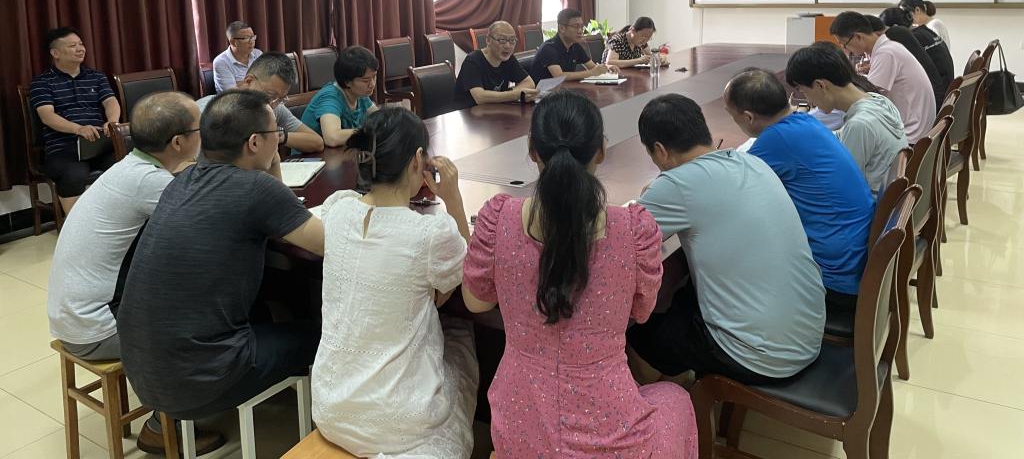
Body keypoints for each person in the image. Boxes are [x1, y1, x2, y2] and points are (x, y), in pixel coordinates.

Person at [462, 90, 698, 458]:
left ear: (532, 150)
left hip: (520, 418)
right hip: (607, 419)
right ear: (601, 151)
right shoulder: (633, 231)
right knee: (675, 398)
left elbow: (476, 302)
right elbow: (641, 312)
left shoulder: (498, 220)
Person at [118, 90, 325, 438]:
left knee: (270, 300)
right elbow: (328, 244)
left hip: (143, 370)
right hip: (197, 382)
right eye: (276, 134)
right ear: (255, 142)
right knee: (321, 332)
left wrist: (272, 164)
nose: (279, 140)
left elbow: (279, 214)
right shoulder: (254, 188)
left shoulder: (182, 180)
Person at [46, 92, 223, 454]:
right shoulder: (150, 183)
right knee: (206, 321)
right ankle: (161, 426)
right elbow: (213, 225)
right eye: (199, 130)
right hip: (95, 328)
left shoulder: (130, 168)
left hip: (72, 315)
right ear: (179, 142)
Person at [312, 108, 478, 458]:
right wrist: (453, 198)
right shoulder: (430, 234)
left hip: (330, 407)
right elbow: (471, 271)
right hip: (397, 424)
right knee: (461, 341)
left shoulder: (337, 209)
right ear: (419, 160)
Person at [626, 94, 824, 385]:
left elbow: (623, 242)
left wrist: (657, 193)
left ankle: (661, 404)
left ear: (660, 150)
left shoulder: (678, 184)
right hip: (808, 332)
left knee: (637, 334)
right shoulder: (753, 162)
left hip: (761, 356)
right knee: (681, 297)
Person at [724, 68, 875, 307]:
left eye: (733, 116)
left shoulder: (776, 139)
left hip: (834, 276)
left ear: (749, 117)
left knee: (730, 256)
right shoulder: (805, 122)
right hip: (855, 254)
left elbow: (730, 192)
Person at [786, 43, 909, 197]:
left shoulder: (860, 124)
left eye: (803, 92)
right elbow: (843, 137)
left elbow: (842, 184)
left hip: (871, 205)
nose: (808, 101)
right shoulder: (879, 101)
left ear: (820, 86)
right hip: (889, 198)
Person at [29, 27, 121, 215]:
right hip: (63, 148)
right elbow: (47, 116)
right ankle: (75, 226)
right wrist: (78, 129)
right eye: (72, 46)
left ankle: (120, 219)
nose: (80, 49)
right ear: (55, 53)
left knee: (125, 163)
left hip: (98, 144)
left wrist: (112, 121)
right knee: (74, 174)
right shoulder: (42, 82)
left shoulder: (96, 76)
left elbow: (110, 101)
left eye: (81, 44)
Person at [830, 11, 937, 143]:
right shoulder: (890, 47)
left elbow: (865, 99)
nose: (844, 49)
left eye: (844, 43)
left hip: (910, 135)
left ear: (858, 37)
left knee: (843, 137)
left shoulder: (886, 53)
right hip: (917, 128)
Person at [197, 52, 324, 154]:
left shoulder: (274, 108)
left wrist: (277, 136)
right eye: (270, 95)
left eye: (281, 98)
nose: (272, 104)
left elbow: (317, 142)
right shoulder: (208, 112)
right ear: (248, 81)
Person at [301, 46, 379, 147]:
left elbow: (379, 119)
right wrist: (369, 131)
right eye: (366, 80)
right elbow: (332, 138)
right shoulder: (330, 98)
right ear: (347, 81)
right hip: (313, 156)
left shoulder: (360, 93)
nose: (372, 84)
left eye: (374, 76)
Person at [880, 6, 954, 106]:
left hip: (936, 98)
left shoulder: (910, 39)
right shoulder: (925, 31)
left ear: (894, 27)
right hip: (948, 91)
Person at [453, 20, 537, 108]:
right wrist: (515, 95)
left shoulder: (508, 59)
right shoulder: (473, 60)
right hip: (468, 112)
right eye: (502, 40)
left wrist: (512, 93)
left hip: (495, 109)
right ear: (488, 40)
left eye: (512, 40)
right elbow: (480, 97)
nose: (508, 46)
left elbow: (529, 83)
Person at [528, 7, 616, 84]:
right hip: (543, 94)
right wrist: (592, 73)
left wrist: (606, 68)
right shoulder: (548, 48)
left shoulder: (575, 46)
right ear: (562, 28)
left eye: (581, 26)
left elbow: (593, 67)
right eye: (576, 26)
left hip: (564, 90)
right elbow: (559, 76)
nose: (580, 31)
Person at [212, 20, 263, 92]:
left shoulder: (258, 53)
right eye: (246, 38)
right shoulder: (221, 62)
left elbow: (268, 80)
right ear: (233, 42)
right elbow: (233, 94)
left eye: (252, 37)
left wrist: (241, 84)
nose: (251, 41)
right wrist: (257, 82)